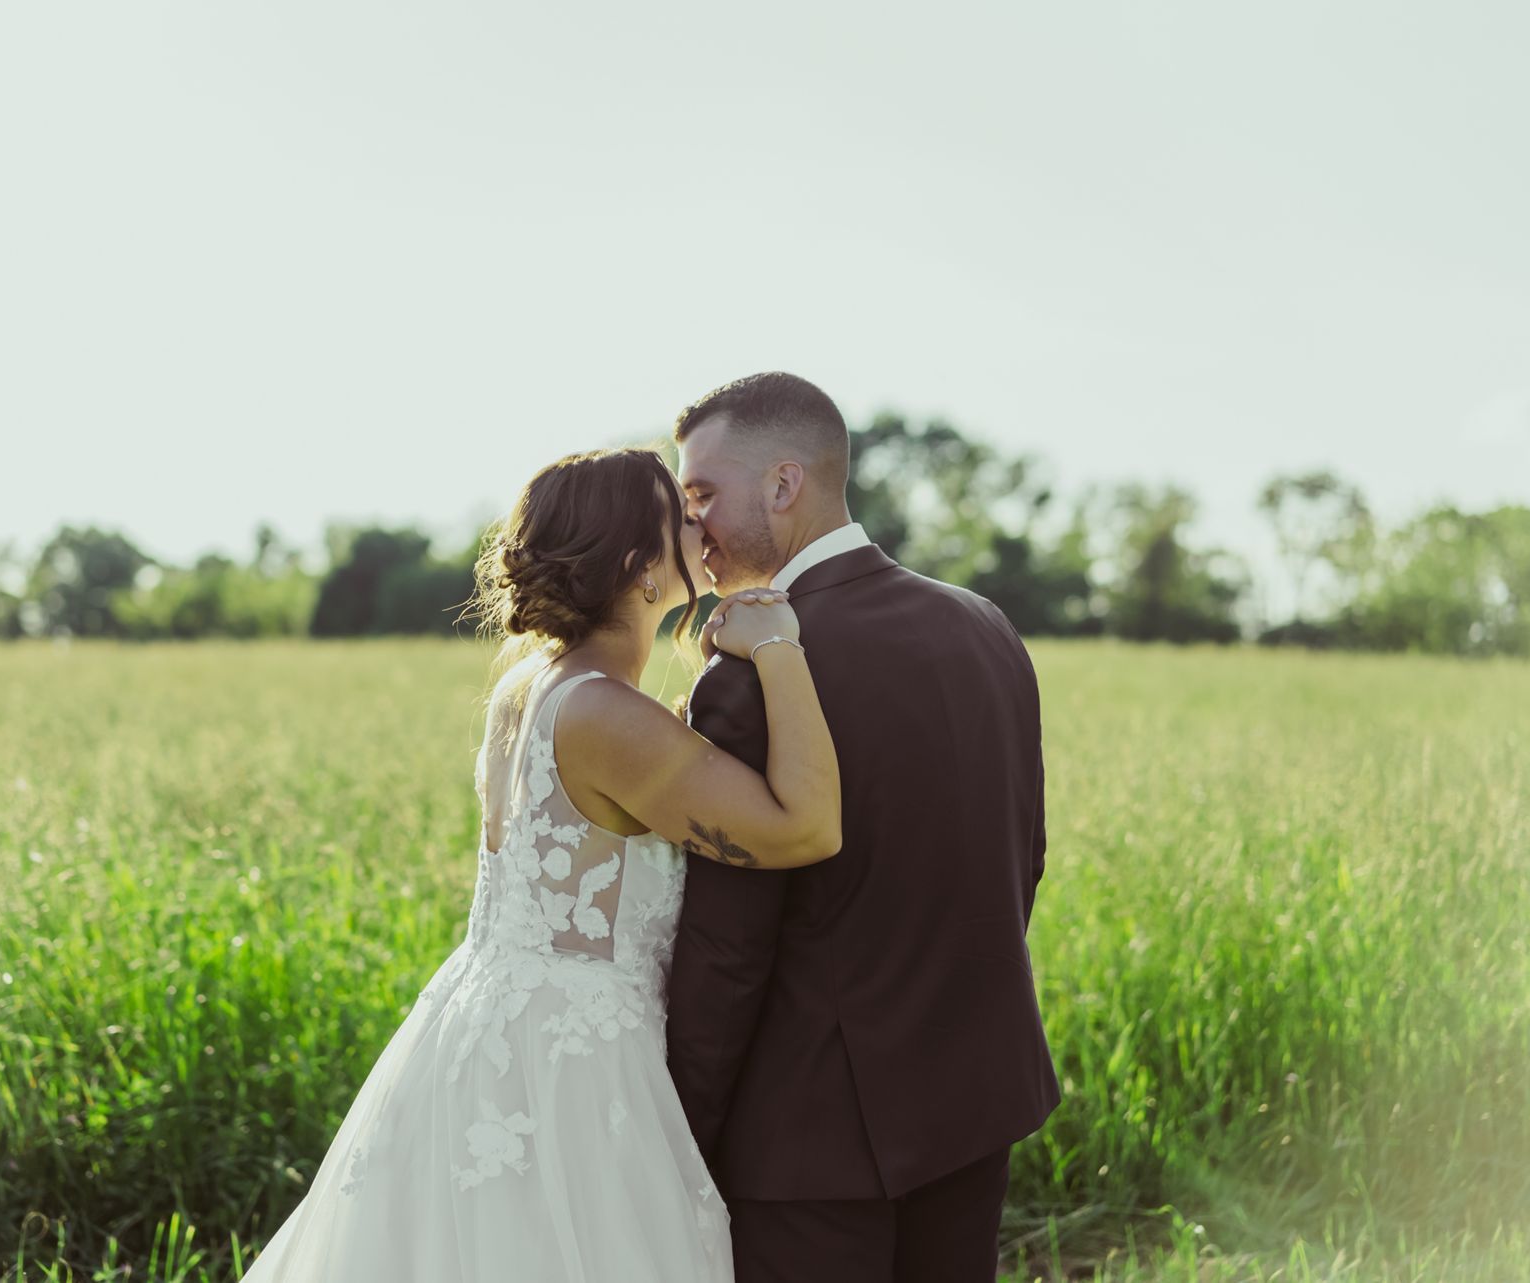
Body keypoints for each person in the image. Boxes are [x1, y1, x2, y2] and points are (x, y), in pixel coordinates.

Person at [238, 445, 842, 1282]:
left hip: (480, 1024)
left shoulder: (529, 687)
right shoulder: (605, 713)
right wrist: (779, 645)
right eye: (681, 512)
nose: (700, 522)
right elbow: (805, 827)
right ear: (639, 564)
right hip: (570, 1069)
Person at [666, 372, 1060, 1283]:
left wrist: (677, 1128)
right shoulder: (986, 626)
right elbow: (1021, 858)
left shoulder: (753, 672)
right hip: (974, 1102)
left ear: (782, 484)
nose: (694, 528)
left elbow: (729, 948)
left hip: (806, 1140)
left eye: (703, 494)